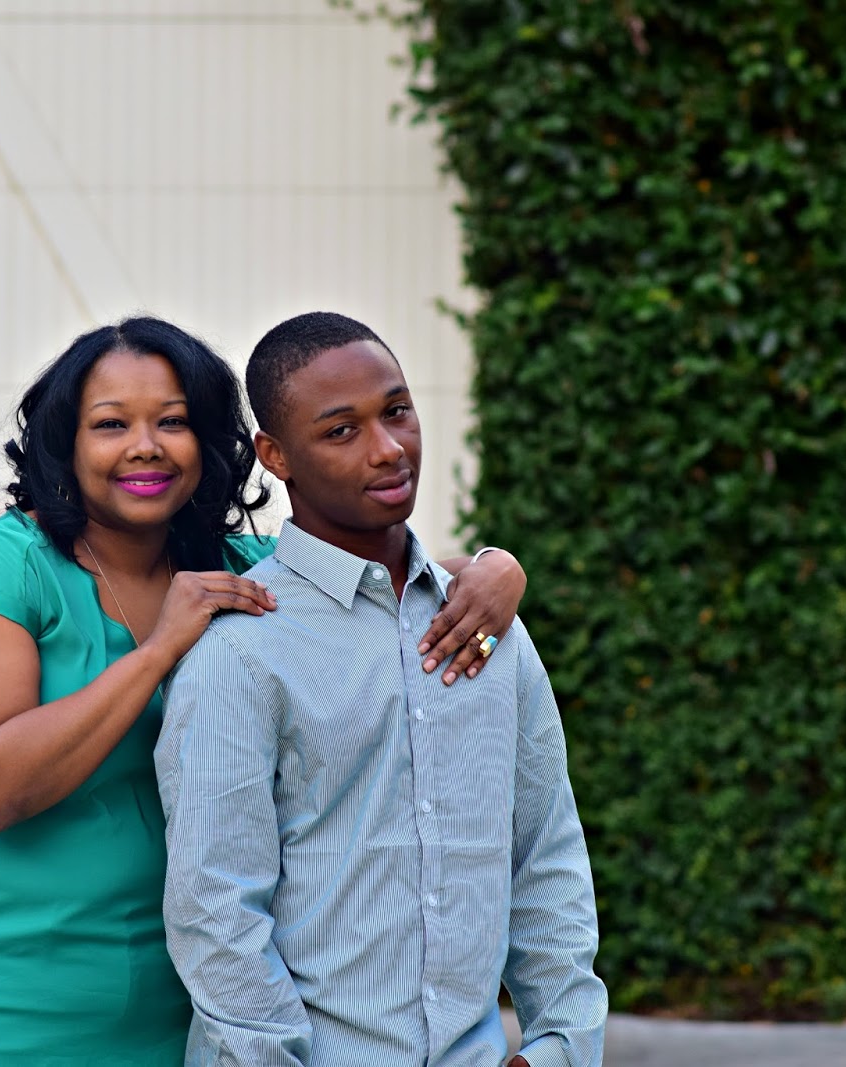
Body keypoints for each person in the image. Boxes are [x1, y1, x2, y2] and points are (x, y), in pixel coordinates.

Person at [0, 316, 531, 1067]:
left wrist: (495, 567)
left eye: (172, 422)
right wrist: (158, 651)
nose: (146, 446)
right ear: (64, 444)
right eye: (111, 424)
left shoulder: (233, 568)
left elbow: (383, 577)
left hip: (165, 1035)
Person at [156, 312, 607, 1067]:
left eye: (397, 410)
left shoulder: (488, 625)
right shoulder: (241, 649)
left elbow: (545, 854)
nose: (388, 448)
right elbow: (216, 912)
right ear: (276, 455)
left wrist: (560, 1045)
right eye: (341, 430)